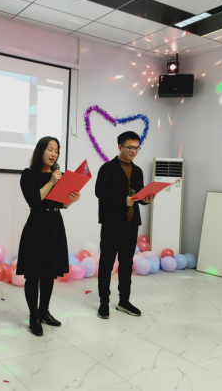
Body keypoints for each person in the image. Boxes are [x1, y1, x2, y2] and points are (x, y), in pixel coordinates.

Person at [17, 136, 81, 336]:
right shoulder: (28, 175)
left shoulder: (59, 175)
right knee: (33, 274)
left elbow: (60, 204)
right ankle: (33, 317)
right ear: (40, 151)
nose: (54, 154)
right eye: (50, 149)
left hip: (55, 225)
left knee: (49, 272)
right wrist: (52, 182)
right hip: (37, 226)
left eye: (57, 150)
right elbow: (34, 201)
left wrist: (72, 200)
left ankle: (44, 312)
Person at [95, 131, 154, 319]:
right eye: (130, 147)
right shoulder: (107, 168)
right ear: (120, 147)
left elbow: (139, 196)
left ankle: (124, 301)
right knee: (106, 264)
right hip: (112, 223)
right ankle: (104, 303)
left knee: (127, 264)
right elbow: (100, 192)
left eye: (137, 148)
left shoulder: (137, 171)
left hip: (131, 224)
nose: (134, 151)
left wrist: (146, 199)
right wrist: (122, 200)